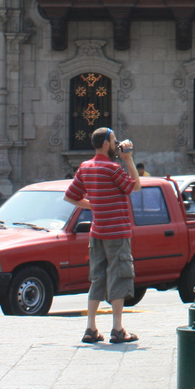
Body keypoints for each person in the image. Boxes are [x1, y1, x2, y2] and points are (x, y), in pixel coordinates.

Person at [63, 127, 139, 345]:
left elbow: (70, 196)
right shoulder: (112, 168)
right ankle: (117, 328)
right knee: (119, 275)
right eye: (114, 141)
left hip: (97, 232)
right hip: (118, 231)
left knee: (97, 277)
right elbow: (136, 186)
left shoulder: (86, 167)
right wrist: (129, 159)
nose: (116, 145)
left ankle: (91, 328)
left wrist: (93, 205)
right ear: (106, 143)